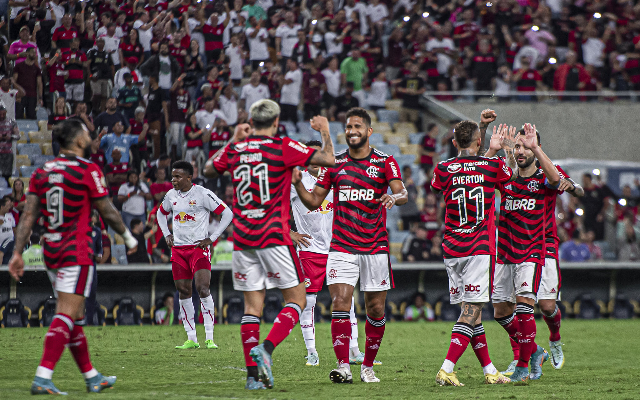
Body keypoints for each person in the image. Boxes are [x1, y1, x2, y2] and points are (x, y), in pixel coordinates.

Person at [203, 100, 336, 390]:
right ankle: (266, 349)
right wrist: (325, 131)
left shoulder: (237, 149)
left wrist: (233, 139)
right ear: (275, 123)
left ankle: (252, 378)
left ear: (251, 121)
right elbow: (328, 160)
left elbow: (209, 169)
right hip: (273, 235)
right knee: (298, 300)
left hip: (243, 239)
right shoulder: (282, 146)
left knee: (252, 308)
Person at [8, 118, 138, 395]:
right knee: (66, 313)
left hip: (51, 250)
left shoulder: (42, 171)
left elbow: (29, 215)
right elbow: (107, 210)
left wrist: (18, 252)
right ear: (78, 140)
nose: (91, 139)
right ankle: (43, 376)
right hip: (76, 251)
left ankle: (92, 377)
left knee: (76, 315)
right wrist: (127, 237)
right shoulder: (87, 169)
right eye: (88, 134)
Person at [292, 107, 407, 384]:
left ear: (368, 131)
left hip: (375, 246)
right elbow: (313, 201)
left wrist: (395, 198)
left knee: (376, 310)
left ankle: (367, 366)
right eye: (348, 127)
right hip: (341, 247)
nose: (352, 131)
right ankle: (343, 366)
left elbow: (401, 191)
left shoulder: (385, 161)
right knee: (340, 303)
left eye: (357, 126)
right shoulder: (335, 165)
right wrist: (298, 186)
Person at [430, 116, 513, 387]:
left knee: (471, 313)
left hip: (452, 249)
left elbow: (453, 176)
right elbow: (508, 180)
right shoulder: (492, 165)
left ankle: (489, 369)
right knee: (472, 309)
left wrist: (482, 139)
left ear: (453, 142)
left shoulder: (442, 168)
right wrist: (506, 151)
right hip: (479, 247)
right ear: (479, 141)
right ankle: (447, 368)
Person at [484, 123, 560, 382]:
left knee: (526, 308)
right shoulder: (506, 177)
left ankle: (523, 366)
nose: (520, 150)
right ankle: (535, 350)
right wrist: (492, 150)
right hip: (505, 252)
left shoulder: (543, 177)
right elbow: (478, 177)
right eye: (516, 145)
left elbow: (556, 180)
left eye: (525, 145)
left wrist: (535, 147)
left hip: (531, 252)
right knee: (501, 312)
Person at [289, 139, 374, 368]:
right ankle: (311, 352)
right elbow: (270, 209)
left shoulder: (335, 178)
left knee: (346, 300)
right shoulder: (296, 181)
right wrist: (290, 233)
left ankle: (355, 350)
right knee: (308, 302)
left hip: (338, 247)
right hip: (310, 251)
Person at [157, 161, 233, 350]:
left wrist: (212, 238)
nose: (173, 180)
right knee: (183, 291)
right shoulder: (171, 195)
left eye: (177, 177)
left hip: (198, 248)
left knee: (203, 288)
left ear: (189, 178)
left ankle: (209, 337)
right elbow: (160, 214)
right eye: (172, 176)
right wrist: (166, 233)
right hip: (179, 250)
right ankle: (191, 338)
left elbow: (228, 214)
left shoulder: (203, 194)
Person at [12, 47, 42, 119]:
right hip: (20, 95)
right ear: (27, 53)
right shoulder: (18, 66)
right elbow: (14, 81)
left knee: (31, 116)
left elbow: (39, 84)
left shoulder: (37, 69)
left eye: (35, 53)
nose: (34, 54)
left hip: (32, 96)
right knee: (18, 116)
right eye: (32, 52)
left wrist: (40, 97)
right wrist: (16, 94)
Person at [87, 37, 114, 114]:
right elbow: (88, 64)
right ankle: (94, 108)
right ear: (96, 43)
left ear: (104, 43)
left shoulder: (107, 54)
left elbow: (112, 66)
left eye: (102, 42)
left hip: (105, 77)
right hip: (95, 77)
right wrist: (90, 75)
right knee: (97, 94)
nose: (100, 43)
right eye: (98, 42)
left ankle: (102, 111)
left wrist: (112, 78)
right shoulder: (92, 52)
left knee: (104, 96)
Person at [0, 103, 19, 181]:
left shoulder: (12, 122)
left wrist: (10, 137)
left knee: (7, 176)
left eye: (3, 114)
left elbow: (18, 136)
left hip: (8, 153)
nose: (2, 116)